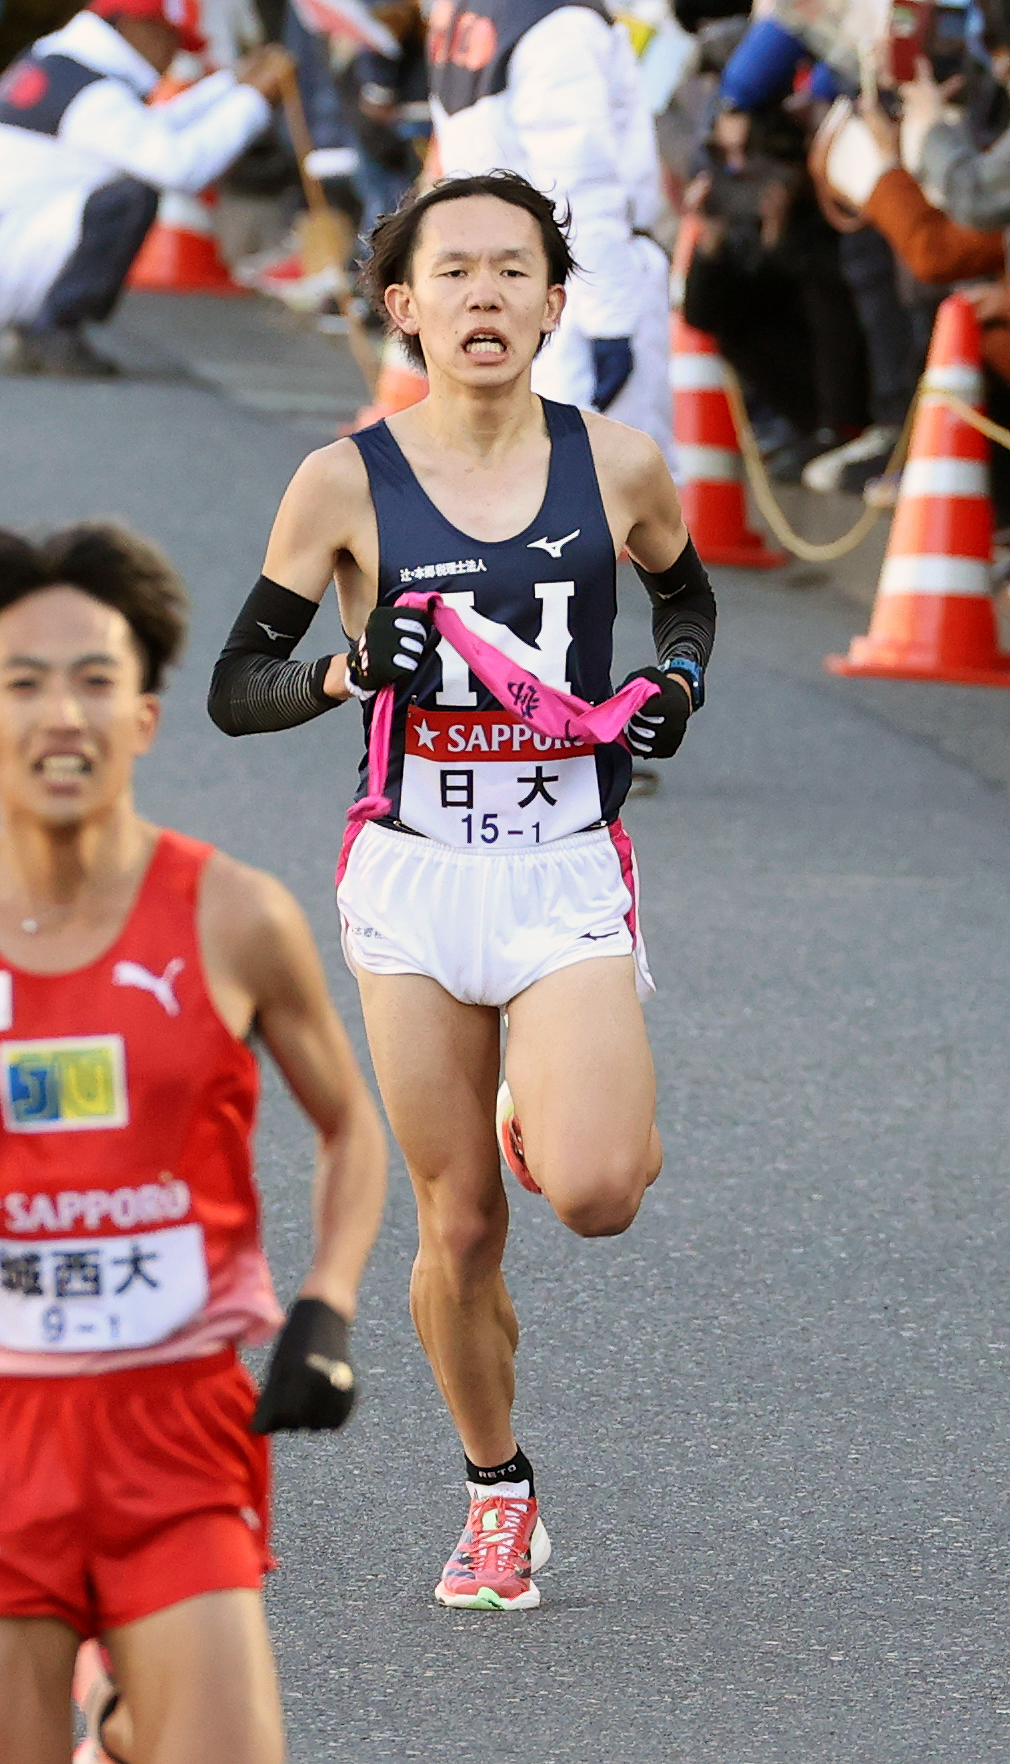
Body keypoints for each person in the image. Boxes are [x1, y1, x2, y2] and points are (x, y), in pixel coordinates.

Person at [208, 170, 715, 1609]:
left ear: (556, 305)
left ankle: (545, 1095)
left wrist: (674, 678)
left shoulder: (616, 464)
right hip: (416, 887)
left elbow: (685, 598)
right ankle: (498, 1491)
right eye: (454, 273)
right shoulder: (339, 482)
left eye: (512, 272)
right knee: (462, 1225)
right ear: (403, 306)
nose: (482, 296)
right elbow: (237, 689)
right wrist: (348, 671)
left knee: (601, 1192)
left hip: (559, 874)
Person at [0, 522, 386, 1762]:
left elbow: (348, 1126)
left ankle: (129, 1704)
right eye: (23, 683)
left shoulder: (233, 917)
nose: (63, 714)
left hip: (177, 1434)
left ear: (147, 721)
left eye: (96, 681)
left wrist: (324, 1306)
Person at [423, 0, 674, 463]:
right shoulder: (560, 23)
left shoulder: (464, 7)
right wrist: (612, 322)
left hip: (493, 277)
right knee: (610, 488)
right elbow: (579, 188)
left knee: (508, 482)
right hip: (570, 286)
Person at [0, 0, 295, 377]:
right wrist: (253, 101)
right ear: (138, 27)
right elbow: (180, 166)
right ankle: (54, 327)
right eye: (171, 40)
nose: (172, 58)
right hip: (14, 259)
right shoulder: (92, 95)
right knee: (133, 193)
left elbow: (150, 129)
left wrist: (230, 85)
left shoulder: (63, 65)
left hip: (18, 237)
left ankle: (39, 326)